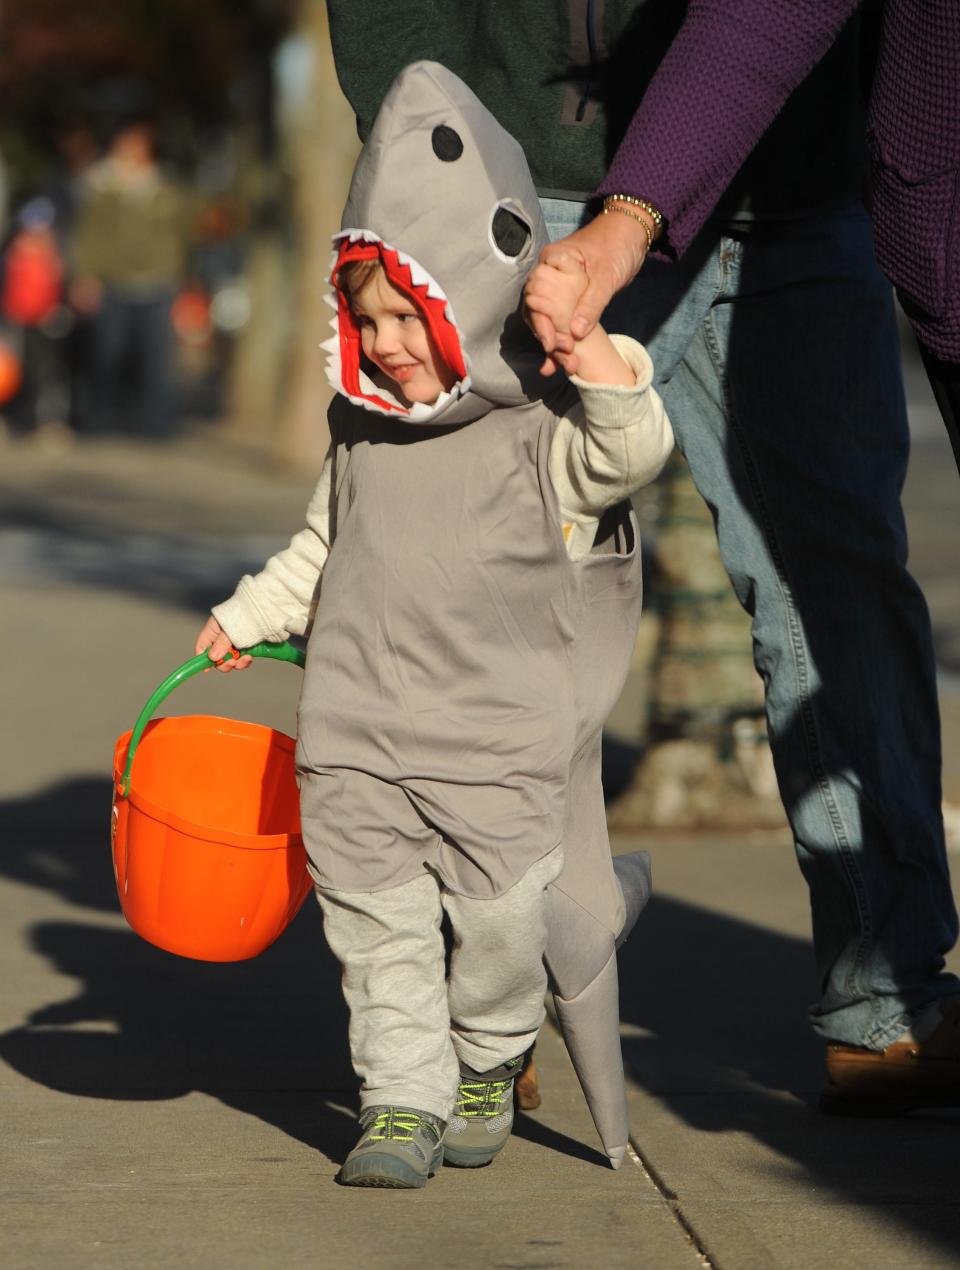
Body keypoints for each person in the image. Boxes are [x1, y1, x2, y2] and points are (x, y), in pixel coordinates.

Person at [326, 1, 960, 1116]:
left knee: (840, 590)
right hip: (523, 185)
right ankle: (486, 1012)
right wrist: (426, 149)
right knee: (471, 605)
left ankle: (887, 994)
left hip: (793, 185)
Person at [195, 63, 671, 1188]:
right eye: (371, 318)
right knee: (374, 928)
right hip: (356, 728)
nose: (393, 339)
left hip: (493, 744)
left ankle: (489, 1056)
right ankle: (398, 1097)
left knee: (501, 931)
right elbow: (323, 548)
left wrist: (594, 349)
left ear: (466, 289)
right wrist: (245, 615)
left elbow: (630, 451)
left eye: (411, 311)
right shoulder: (361, 430)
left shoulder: (534, 432)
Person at [70, 119, 188, 438]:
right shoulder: (101, 186)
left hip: (156, 282)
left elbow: (179, 235)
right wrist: (85, 276)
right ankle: (100, 419)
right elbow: (88, 235)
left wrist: (178, 276)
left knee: (155, 358)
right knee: (107, 354)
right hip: (114, 281)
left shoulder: (165, 187)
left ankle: (155, 425)